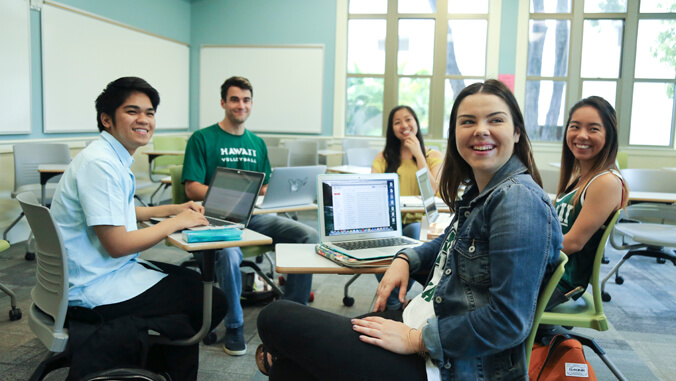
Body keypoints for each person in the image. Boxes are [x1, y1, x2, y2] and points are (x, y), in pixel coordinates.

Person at [255, 79, 563, 380]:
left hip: (448, 362)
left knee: (275, 317)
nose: (480, 129)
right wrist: (405, 260)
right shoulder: (483, 193)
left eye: (495, 119)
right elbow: (448, 242)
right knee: (288, 370)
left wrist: (416, 340)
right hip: (421, 320)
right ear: (454, 133)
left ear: (518, 132)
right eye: (467, 121)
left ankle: (276, 355)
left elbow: (508, 321)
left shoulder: (518, 202)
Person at [50, 76, 227, 380]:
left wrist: (172, 209)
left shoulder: (107, 157)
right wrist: (176, 222)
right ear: (107, 119)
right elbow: (117, 243)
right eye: (132, 111)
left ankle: (150, 358)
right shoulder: (101, 165)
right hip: (94, 286)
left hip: (97, 272)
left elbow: (119, 212)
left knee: (191, 285)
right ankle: (148, 360)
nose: (144, 119)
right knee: (211, 301)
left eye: (149, 112)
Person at [181, 76, 317, 356]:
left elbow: (264, 185)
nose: (240, 105)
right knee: (230, 254)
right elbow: (192, 187)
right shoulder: (202, 138)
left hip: (253, 217)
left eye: (245, 100)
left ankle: (291, 314)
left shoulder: (257, 142)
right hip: (214, 218)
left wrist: (280, 191)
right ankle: (234, 325)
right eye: (234, 99)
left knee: (308, 234)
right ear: (223, 103)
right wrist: (235, 197)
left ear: (251, 104)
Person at [546, 96, 628, 310]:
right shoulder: (581, 178)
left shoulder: (606, 182)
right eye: (575, 126)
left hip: (559, 283)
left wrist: (522, 251)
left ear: (609, 135)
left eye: (593, 129)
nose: (582, 135)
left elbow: (573, 243)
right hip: (550, 275)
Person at [371, 105, 443, 310]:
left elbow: (434, 191)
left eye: (408, 119)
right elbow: (373, 191)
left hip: (418, 222)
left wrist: (419, 155)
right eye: (397, 122)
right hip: (388, 222)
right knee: (382, 246)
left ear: (416, 123)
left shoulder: (433, 155)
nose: (404, 125)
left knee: (411, 235)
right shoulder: (384, 157)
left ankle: (392, 304)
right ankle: (396, 304)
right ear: (391, 129)